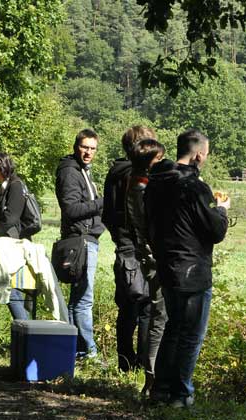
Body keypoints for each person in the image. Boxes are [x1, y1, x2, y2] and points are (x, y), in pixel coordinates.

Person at [145, 129, 230, 407]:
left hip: (166, 264)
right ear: (199, 155)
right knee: (191, 334)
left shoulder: (158, 181)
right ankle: (181, 394)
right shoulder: (194, 188)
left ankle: (160, 389)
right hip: (193, 271)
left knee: (173, 328)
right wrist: (221, 209)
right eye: (205, 156)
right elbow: (215, 231)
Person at [102, 126, 167, 379]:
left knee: (127, 307)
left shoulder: (113, 174)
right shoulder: (136, 177)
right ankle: (139, 364)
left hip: (124, 249)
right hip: (137, 248)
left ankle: (125, 363)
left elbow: (108, 215)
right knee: (146, 307)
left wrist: (120, 240)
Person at [55, 129, 105, 359]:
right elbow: (72, 209)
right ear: (76, 146)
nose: (89, 152)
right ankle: (88, 351)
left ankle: (75, 350)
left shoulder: (83, 171)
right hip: (80, 240)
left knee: (79, 299)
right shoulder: (70, 172)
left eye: (93, 148)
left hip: (86, 239)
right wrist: (104, 203)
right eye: (85, 147)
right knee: (84, 299)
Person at [124, 137, 167, 394]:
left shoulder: (138, 184)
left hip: (147, 254)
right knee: (159, 317)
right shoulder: (142, 189)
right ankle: (151, 376)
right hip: (153, 257)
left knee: (159, 315)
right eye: (159, 160)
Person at [0, 152, 31, 320]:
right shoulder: (5, 187)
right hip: (7, 246)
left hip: (14, 247)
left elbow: (11, 217)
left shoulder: (16, 186)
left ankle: (25, 331)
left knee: (13, 293)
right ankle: (24, 332)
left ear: (1, 168)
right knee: (13, 292)